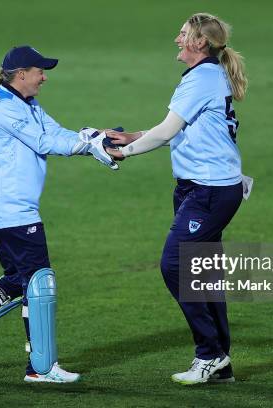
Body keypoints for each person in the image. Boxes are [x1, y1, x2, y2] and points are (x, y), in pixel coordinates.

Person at [0, 45, 115, 383]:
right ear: (21, 75)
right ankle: (42, 368)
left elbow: (56, 132)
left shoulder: (22, 102)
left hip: (2, 206)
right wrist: (90, 146)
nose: (44, 77)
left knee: (19, 279)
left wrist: (93, 138)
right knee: (38, 282)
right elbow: (45, 143)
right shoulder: (6, 110)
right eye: (39, 72)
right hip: (11, 208)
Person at [106, 13, 248, 385]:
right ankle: (221, 363)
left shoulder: (200, 79)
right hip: (200, 188)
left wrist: (123, 153)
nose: (176, 39)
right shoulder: (207, 76)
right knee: (203, 275)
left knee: (175, 266)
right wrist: (133, 135)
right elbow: (177, 129)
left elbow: (168, 130)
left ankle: (210, 353)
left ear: (199, 43)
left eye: (183, 34)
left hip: (210, 190)